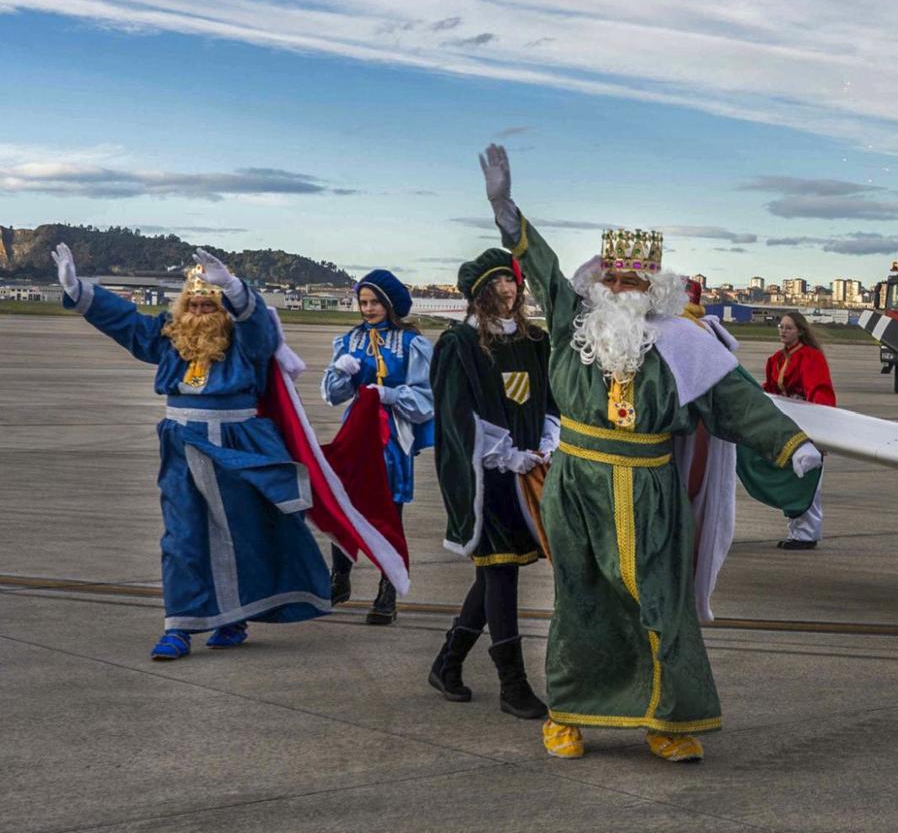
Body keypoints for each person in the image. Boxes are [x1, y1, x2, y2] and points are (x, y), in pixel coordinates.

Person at [477, 144, 822, 762]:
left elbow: (733, 399)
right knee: (579, 602)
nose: (621, 287)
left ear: (655, 285)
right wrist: (507, 212)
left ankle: (667, 720)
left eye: (634, 279)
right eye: (612, 277)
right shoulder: (572, 324)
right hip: (578, 485)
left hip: (651, 489)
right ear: (597, 281)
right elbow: (547, 269)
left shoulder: (683, 344)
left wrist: (788, 443)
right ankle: (568, 716)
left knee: (662, 602)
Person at [52, 243, 330, 660]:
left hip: (236, 445)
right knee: (182, 537)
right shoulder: (169, 337)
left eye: (209, 304)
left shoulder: (244, 340)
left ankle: (234, 618)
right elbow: (127, 322)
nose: (200, 311)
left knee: (242, 534)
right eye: (194, 303)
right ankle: (179, 626)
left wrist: (235, 287)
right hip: (182, 444)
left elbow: (262, 333)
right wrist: (80, 290)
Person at [427, 248, 558, 720]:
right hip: (486, 477)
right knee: (500, 570)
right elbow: (456, 414)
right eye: (498, 282)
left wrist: (546, 438)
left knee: (497, 572)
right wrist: (505, 454)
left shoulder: (534, 340)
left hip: (528, 474)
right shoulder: (459, 343)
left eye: (512, 281)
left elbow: (548, 398)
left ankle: (448, 662)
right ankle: (512, 684)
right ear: (480, 292)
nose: (509, 289)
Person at [321, 269, 434, 624]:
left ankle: (388, 588)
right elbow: (332, 397)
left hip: (392, 437)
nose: (367, 309)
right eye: (363, 302)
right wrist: (339, 373)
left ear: (390, 305)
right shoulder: (348, 341)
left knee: (388, 513)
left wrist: (389, 394)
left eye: (374, 303)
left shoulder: (412, 344)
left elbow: (425, 399)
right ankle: (339, 576)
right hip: (357, 432)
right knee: (342, 503)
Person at [763, 312, 837, 549]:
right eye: (780, 327)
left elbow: (820, 393)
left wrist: (819, 431)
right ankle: (798, 533)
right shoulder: (775, 359)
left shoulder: (811, 358)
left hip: (808, 426)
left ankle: (806, 535)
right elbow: (772, 390)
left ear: (800, 331)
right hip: (788, 426)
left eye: (788, 328)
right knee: (793, 480)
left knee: (808, 480)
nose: (783, 331)